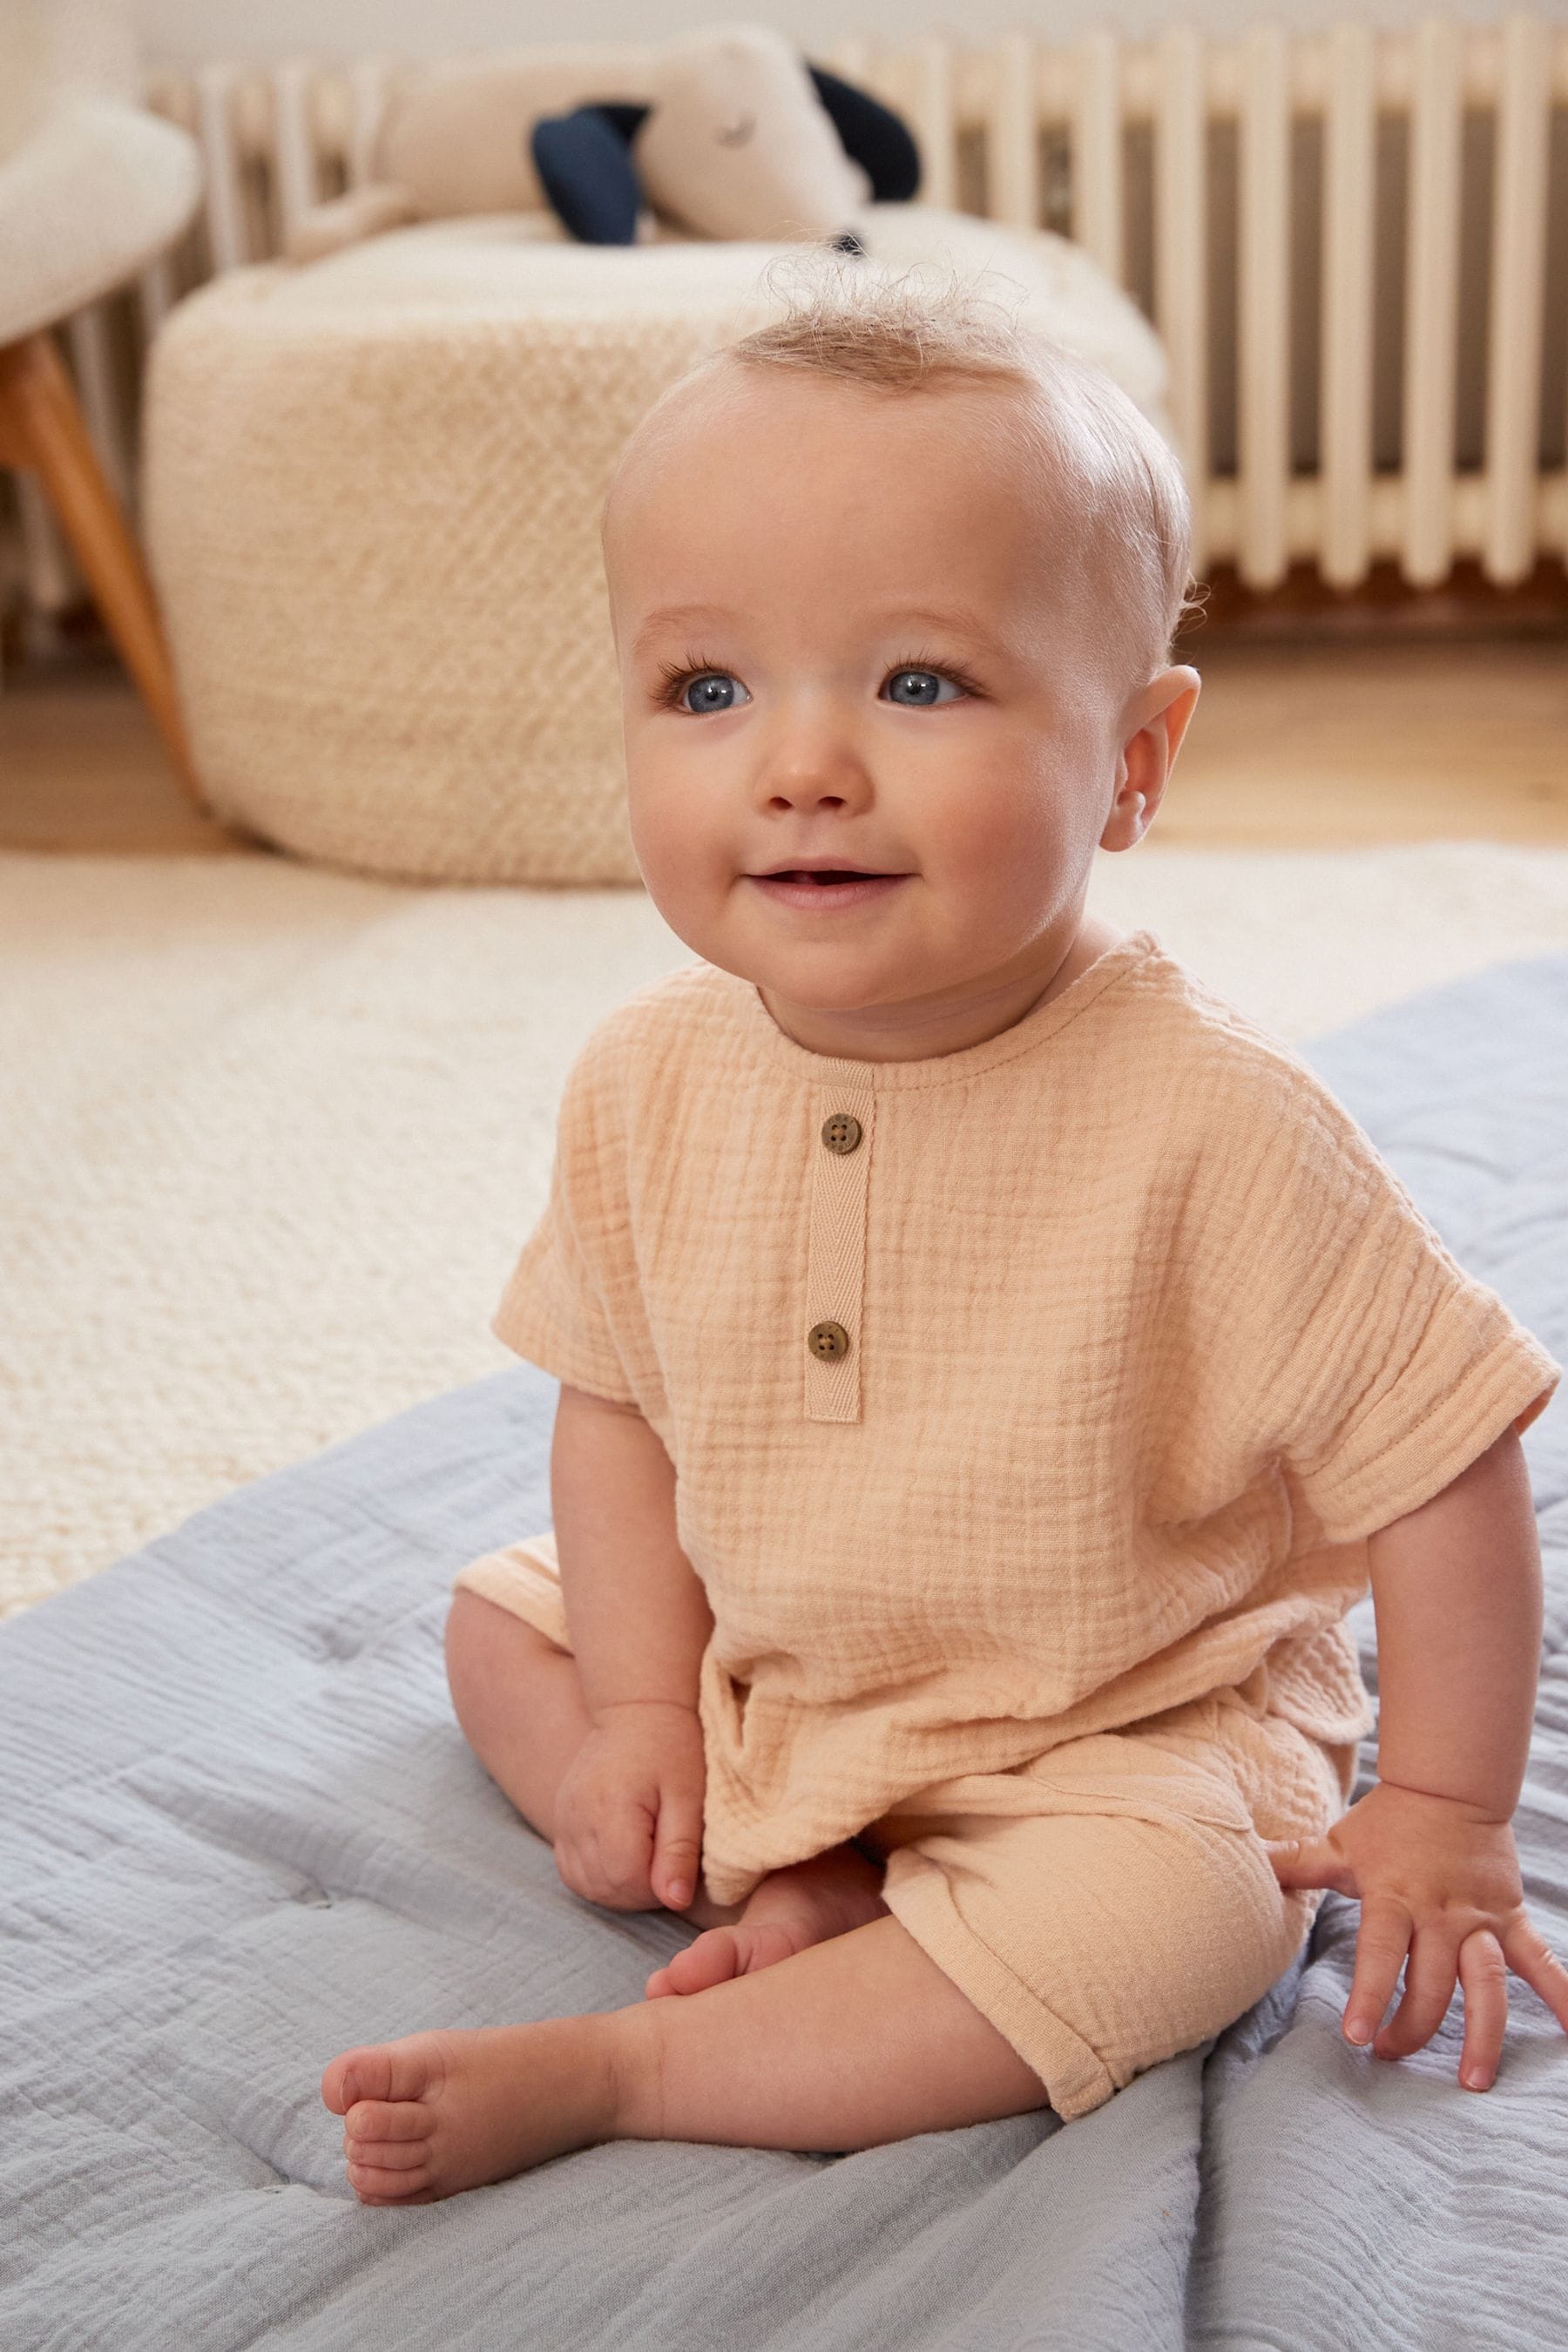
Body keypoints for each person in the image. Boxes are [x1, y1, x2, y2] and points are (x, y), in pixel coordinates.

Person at [321, 260, 1567, 2203]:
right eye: (707, 689)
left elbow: (1449, 1457)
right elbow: (620, 1411)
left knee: (1194, 1925)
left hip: (1116, 1710)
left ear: (1135, 762)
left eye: (919, 683)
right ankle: (802, 1865)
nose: (800, 762)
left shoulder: (1213, 1120)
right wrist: (645, 1714)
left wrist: (1443, 1812)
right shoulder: (645, 1075)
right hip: (794, 1644)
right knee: (508, 1620)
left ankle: (641, 2071)